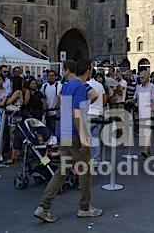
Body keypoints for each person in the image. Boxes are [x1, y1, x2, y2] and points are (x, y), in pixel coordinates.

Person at [33, 59, 102, 223]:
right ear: (89, 70)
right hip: (74, 134)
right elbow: (77, 112)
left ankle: (44, 206)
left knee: (62, 171)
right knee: (85, 171)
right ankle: (85, 207)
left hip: (64, 133)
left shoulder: (67, 86)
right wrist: (84, 137)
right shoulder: (79, 86)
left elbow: (69, 109)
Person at [132, 70, 154, 157]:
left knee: (147, 131)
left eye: (142, 77)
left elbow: (153, 100)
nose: (141, 79)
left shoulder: (152, 87)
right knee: (143, 131)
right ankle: (148, 149)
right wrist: (129, 101)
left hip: (148, 111)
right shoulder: (138, 87)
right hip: (141, 112)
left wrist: (153, 112)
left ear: (147, 77)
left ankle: (145, 149)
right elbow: (135, 98)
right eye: (140, 78)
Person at [86, 69, 106, 166]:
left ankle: (87, 158)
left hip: (89, 113)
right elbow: (104, 98)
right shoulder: (100, 85)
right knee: (96, 137)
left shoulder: (85, 84)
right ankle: (95, 159)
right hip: (99, 113)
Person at [40, 70, 62, 136]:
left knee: (54, 130)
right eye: (49, 76)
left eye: (52, 76)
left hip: (55, 112)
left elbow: (59, 95)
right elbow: (41, 96)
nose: (50, 77)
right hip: (46, 112)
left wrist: (58, 104)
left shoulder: (58, 85)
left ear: (55, 77)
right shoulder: (44, 86)